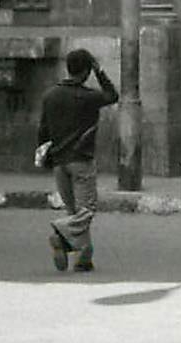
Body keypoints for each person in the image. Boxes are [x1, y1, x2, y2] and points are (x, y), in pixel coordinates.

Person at [37, 48, 120, 273]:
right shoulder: (88, 96)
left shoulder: (50, 95)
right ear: (85, 71)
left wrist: (45, 157)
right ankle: (60, 235)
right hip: (81, 161)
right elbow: (113, 95)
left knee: (74, 211)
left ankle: (84, 258)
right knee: (87, 210)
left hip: (58, 162)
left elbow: (43, 131)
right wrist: (100, 70)